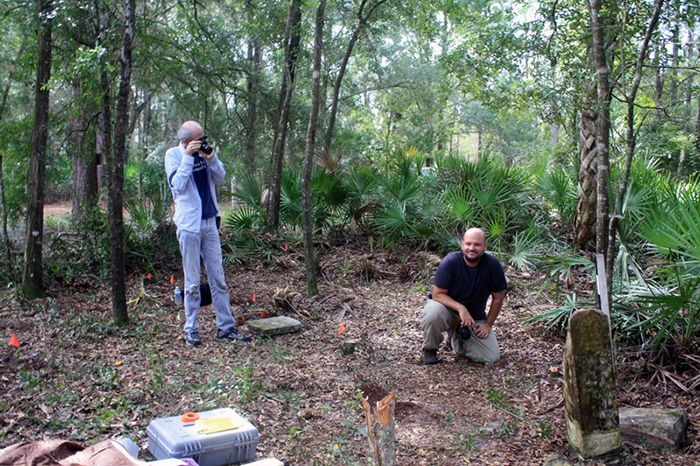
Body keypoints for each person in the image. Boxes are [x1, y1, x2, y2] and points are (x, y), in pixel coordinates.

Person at [164, 120, 249, 346]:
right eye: (198, 140)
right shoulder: (173, 155)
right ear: (185, 141)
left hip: (210, 223)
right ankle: (191, 329)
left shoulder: (205, 154)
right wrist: (188, 157)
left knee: (218, 279)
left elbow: (220, 176)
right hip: (189, 226)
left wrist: (211, 158)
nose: (203, 143)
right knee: (191, 282)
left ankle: (225, 327)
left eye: (204, 139)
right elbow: (178, 185)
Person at [421, 228, 507, 365]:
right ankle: (430, 351)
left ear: (485, 246)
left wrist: (487, 325)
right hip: (448, 311)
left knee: (491, 357)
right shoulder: (450, 263)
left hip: (474, 318)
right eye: (468, 244)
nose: (472, 248)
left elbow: (498, 298)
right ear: (462, 245)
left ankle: (457, 338)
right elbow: (437, 294)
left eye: (477, 245)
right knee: (432, 313)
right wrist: (461, 308)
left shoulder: (492, 265)